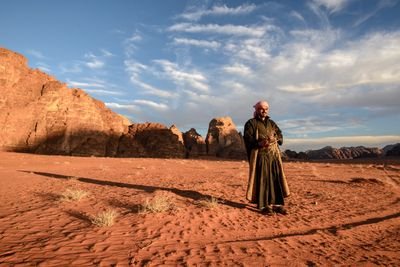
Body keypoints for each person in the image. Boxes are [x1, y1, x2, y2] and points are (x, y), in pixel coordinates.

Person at [243, 100, 290, 215]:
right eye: (261, 108)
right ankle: (263, 206)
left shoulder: (271, 123)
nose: (264, 111)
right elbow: (248, 139)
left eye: (266, 109)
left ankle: (277, 204)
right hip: (260, 156)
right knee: (263, 180)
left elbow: (279, 134)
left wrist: (277, 139)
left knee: (275, 179)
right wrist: (260, 143)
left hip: (273, 156)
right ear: (257, 110)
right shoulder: (251, 123)